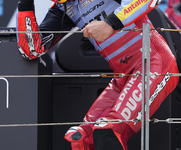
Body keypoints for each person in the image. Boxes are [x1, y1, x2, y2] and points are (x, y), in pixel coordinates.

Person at [16, 0, 179, 149]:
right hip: (122, 77)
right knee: (81, 138)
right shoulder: (63, 8)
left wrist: (110, 23)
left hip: (153, 64)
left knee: (107, 131)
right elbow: (31, 50)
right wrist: (25, 6)